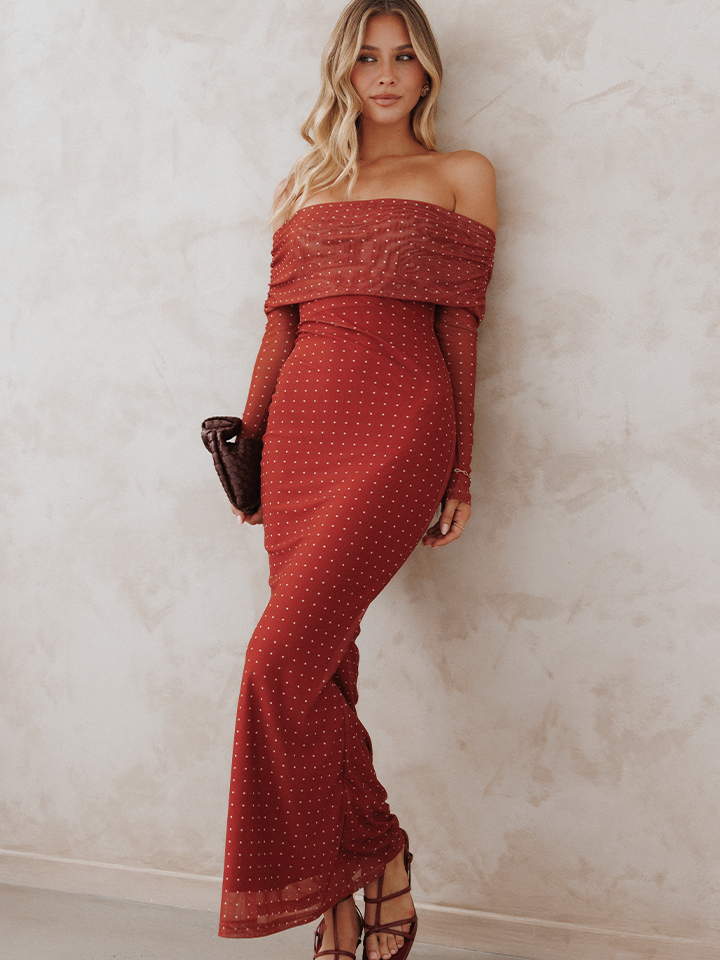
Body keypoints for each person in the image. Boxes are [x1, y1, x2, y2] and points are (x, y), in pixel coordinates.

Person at [217, 2, 496, 959]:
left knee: (274, 664)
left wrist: (460, 468)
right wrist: (249, 453)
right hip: (299, 438)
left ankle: (378, 850)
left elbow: (461, 326)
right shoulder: (306, 183)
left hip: (400, 429)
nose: (385, 74)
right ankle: (343, 900)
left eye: (404, 57)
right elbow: (280, 328)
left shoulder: (462, 174)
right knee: (318, 672)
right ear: (344, 70)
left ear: (427, 71)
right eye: (368, 57)